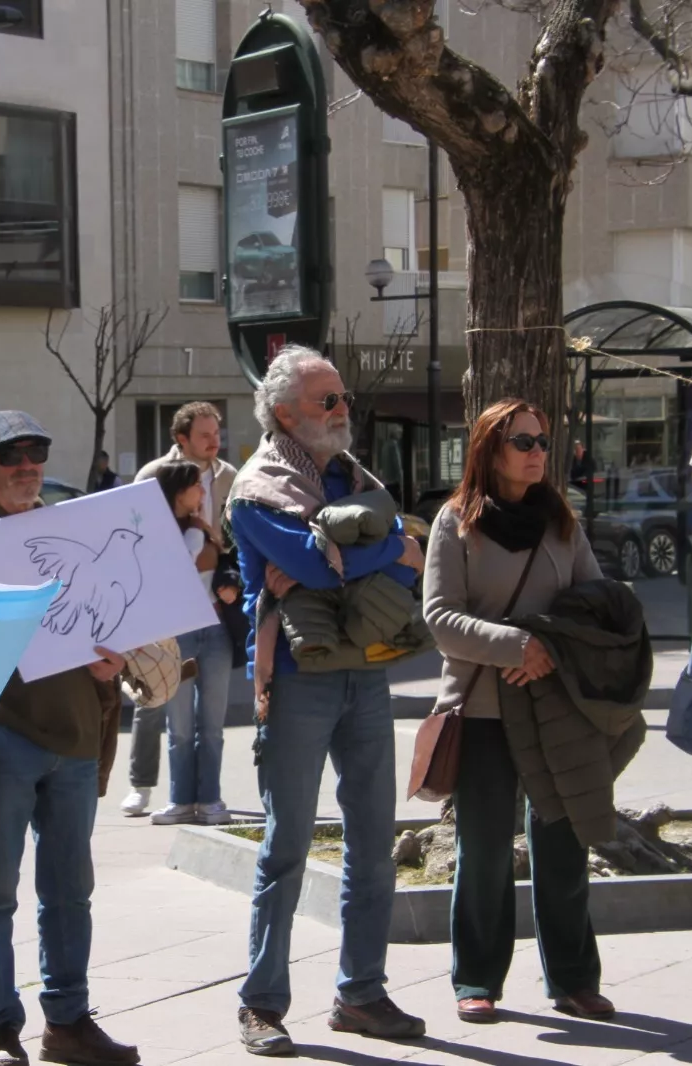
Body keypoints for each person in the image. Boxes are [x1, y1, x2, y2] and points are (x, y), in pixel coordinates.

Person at [0, 410, 139, 1066]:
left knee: (70, 891)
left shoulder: (66, 525)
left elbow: (98, 618)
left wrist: (109, 663)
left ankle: (68, 1021)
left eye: (34, 454)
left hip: (72, 735)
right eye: (9, 457)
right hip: (2, 739)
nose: (25, 467)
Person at [227, 349, 426, 1054]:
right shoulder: (255, 489)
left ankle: (362, 994)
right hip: (298, 676)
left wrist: (365, 552)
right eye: (327, 401)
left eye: (342, 397)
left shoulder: (351, 475)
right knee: (285, 843)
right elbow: (317, 563)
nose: (343, 410)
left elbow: (328, 563)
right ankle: (261, 1004)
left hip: (367, 670)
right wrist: (391, 548)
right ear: (284, 414)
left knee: (374, 843)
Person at [421, 399, 615, 1026]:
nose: (537, 452)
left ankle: (573, 979)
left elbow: (596, 604)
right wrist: (516, 646)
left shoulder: (562, 521)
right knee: (483, 850)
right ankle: (476, 978)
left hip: (554, 705)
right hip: (481, 708)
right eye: (523, 441)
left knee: (562, 846)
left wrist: (547, 650)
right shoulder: (457, 522)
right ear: (490, 449)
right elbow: (440, 618)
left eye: (541, 441)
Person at [124, 402, 238, 818]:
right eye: (205, 435)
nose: (214, 442)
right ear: (182, 439)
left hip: (214, 610)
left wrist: (215, 547)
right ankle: (144, 786)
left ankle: (204, 797)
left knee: (205, 720)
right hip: (168, 617)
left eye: (217, 433)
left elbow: (238, 536)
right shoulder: (154, 475)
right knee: (154, 706)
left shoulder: (229, 477)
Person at [145, 461, 238, 826]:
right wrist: (199, 533)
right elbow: (176, 567)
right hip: (177, 631)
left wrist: (227, 576)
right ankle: (180, 800)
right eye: (196, 487)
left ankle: (210, 799)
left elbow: (229, 565)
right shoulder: (160, 533)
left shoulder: (208, 530)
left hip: (215, 630)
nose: (202, 493)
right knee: (180, 724)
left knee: (212, 724)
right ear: (178, 492)